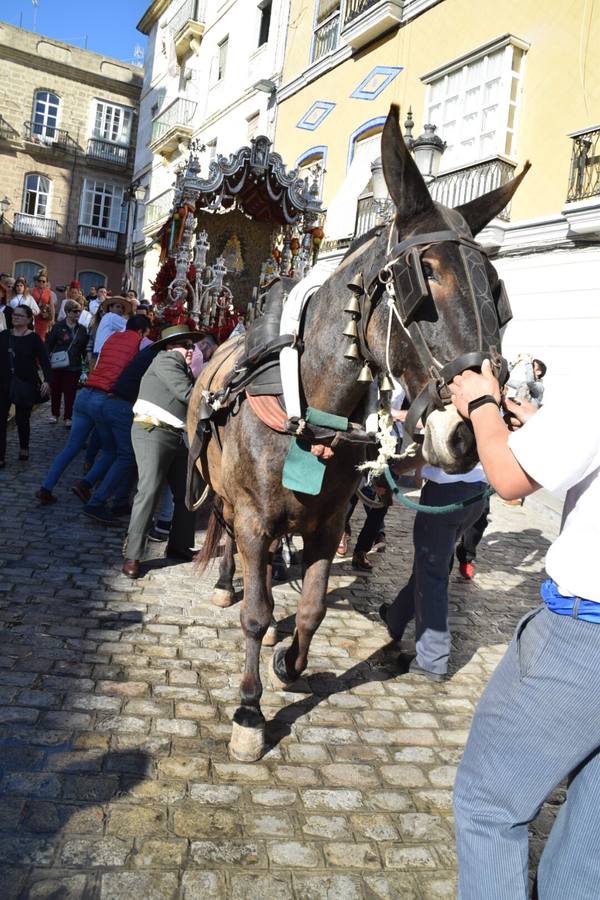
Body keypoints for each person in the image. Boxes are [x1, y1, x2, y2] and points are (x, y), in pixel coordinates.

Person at [449, 360, 599, 900]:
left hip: (585, 641)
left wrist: (483, 403)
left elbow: (511, 479)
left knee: (489, 804)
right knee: (591, 837)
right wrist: (539, 423)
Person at [379, 457, 489, 680]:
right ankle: (395, 617)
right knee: (428, 567)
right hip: (476, 493)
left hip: (446, 492)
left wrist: (397, 468)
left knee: (431, 575)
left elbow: (432, 450)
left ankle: (432, 659)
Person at [36, 315, 150, 504]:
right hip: (105, 397)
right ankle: (86, 484)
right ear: (142, 331)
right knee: (111, 451)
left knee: (71, 447)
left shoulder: (111, 338)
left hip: (86, 393)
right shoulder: (141, 343)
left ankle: (46, 487)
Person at [122, 323, 201, 579]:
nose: (190, 349)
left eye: (192, 345)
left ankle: (179, 546)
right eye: (185, 345)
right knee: (149, 491)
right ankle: (133, 555)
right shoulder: (166, 359)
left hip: (176, 435)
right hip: (152, 432)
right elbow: (189, 395)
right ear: (169, 346)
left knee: (187, 492)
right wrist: (219, 399)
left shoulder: (180, 365)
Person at [82, 341, 159, 524]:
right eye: (186, 345)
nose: (189, 350)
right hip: (122, 407)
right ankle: (96, 502)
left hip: (113, 403)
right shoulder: (161, 358)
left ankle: (119, 502)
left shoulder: (150, 352)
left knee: (122, 455)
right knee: (127, 456)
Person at [0, 305, 51, 466]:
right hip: (3, 382)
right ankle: (1, 456)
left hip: (25, 382)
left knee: (22, 419)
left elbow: (44, 360)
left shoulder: (34, 338)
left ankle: (24, 446)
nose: (15, 317)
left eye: (20, 316)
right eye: (14, 315)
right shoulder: (3, 335)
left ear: (29, 319)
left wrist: (47, 380)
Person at [45, 300, 88, 426]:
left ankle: (68, 417)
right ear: (68, 312)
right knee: (56, 391)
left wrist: (85, 364)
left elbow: (83, 348)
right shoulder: (58, 327)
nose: (78, 314)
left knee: (70, 393)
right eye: (75, 311)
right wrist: (47, 360)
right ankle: (54, 414)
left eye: (79, 311)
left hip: (74, 365)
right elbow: (49, 344)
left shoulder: (82, 329)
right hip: (58, 364)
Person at [31, 269, 56, 341]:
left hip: (44, 317)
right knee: (33, 335)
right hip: (34, 316)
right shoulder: (32, 290)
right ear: (37, 282)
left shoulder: (48, 292)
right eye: (39, 281)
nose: (41, 282)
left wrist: (53, 318)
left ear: (46, 283)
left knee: (42, 337)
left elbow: (52, 306)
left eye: (43, 281)